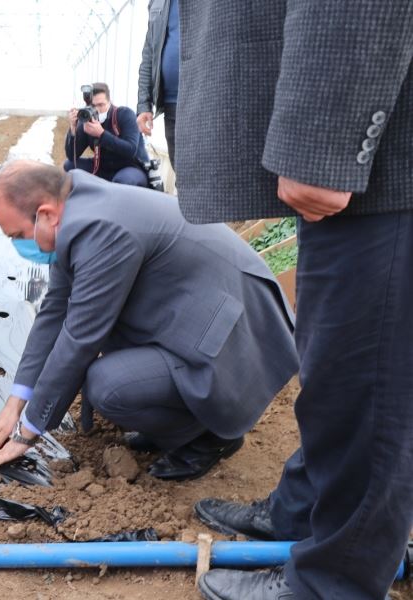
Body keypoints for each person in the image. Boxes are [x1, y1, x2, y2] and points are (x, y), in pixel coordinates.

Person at [177, 3, 413, 599]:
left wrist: (327, 136)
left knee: (366, 385)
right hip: (368, 163)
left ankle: (334, 583)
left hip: (382, 158)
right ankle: (302, 511)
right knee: (334, 367)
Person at [0, 160, 298, 482]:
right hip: (194, 314)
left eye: (17, 234)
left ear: (46, 214)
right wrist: (14, 404)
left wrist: (27, 432)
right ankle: (179, 425)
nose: (17, 244)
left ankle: (211, 437)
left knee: (108, 386)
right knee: (110, 369)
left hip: (234, 334)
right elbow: (53, 312)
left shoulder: (100, 229)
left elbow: (79, 338)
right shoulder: (74, 213)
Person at [64, 83, 150, 188]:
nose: (97, 110)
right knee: (69, 165)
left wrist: (101, 134)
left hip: (129, 167)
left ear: (109, 102)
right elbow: (72, 156)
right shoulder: (88, 119)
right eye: (93, 106)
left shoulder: (125, 114)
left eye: (101, 105)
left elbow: (131, 150)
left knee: (123, 180)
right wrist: (73, 129)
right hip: (101, 166)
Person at [136, 0, 179, 170]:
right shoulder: (158, 2)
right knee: (181, 174)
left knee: (203, 172)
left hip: (202, 99)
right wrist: (144, 105)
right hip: (171, 103)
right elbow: (149, 53)